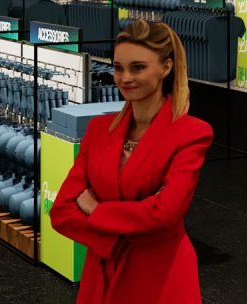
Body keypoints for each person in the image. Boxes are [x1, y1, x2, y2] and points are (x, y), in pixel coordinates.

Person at [50, 20, 213, 304]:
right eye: (118, 68)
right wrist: (118, 236)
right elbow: (62, 211)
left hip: (159, 275)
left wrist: (96, 209)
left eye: (138, 67)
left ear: (166, 67)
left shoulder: (191, 133)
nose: (125, 77)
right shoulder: (99, 131)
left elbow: (165, 212)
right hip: (102, 271)